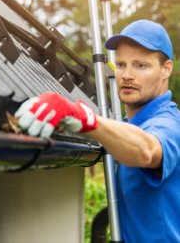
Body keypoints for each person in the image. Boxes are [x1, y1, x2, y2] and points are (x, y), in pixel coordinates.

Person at [14, 20, 180, 243]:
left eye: (141, 66)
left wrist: (85, 118)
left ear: (166, 69)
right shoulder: (130, 125)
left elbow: (147, 150)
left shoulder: (169, 124)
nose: (127, 75)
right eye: (120, 65)